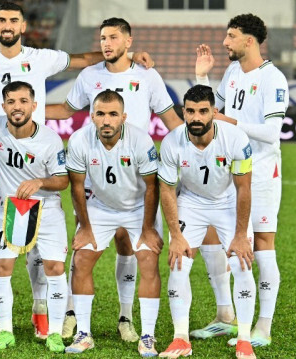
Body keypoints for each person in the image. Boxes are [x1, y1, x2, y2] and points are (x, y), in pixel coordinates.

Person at [0, 1, 153, 338]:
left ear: (23, 26)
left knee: (39, 248)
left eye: (13, 20)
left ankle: (41, 309)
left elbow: (83, 60)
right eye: (1, 20)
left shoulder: (42, 57)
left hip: (33, 152)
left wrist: (126, 56)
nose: (7, 25)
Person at [46, 17, 183, 340]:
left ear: (128, 42)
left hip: (135, 177)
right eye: (103, 37)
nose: (107, 43)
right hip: (97, 172)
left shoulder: (146, 75)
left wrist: (199, 145)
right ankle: (71, 313)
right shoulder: (89, 75)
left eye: (113, 37)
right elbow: (66, 111)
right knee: (83, 246)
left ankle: (125, 317)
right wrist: (24, 111)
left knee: (128, 245)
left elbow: (171, 119)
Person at [194, 13, 289, 347]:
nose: (224, 42)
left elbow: (271, 132)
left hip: (261, 171)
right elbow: (213, 111)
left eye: (231, 36)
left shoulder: (273, 79)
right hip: (227, 168)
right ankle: (225, 316)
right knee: (210, 235)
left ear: (250, 40)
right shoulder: (233, 71)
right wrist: (201, 77)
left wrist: (229, 120)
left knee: (261, 244)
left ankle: (263, 326)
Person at [157, 85, 256, 359]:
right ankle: (180, 339)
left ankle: (244, 339)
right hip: (191, 202)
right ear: (184, 112)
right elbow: (166, 189)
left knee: (242, 263)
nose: (196, 117)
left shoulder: (235, 139)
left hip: (227, 202)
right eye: (190, 111)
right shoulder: (171, 142)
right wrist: (176, 235)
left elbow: (244, 189)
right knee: (178, 264)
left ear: (214, 112)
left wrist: (239, 234)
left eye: (203, 111)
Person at [64, 90, 162, 356]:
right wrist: (84, 227)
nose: (106, 120)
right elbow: (76, 186)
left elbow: (152, 188)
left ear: (123, 117)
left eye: (112, 114)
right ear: (92, 116)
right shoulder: (79, 140)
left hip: (139, 208)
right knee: (81, 260)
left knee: (148, 261)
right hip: (101, 207)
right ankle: (84, 334)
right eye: (100, 114)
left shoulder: (141, 140)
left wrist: (148, 229)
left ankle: (148, 336)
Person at [0, 81, 69, 353]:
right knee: (0, 269)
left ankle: (54, 332)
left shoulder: (50, 139)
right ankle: (6, 331)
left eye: (22, 101)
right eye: (11, 101)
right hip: (10, 209)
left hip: (46, 209)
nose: (17, 107)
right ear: (4, 106)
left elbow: (63, 180)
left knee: (54, 269)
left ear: (33, 105)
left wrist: (40, 182)